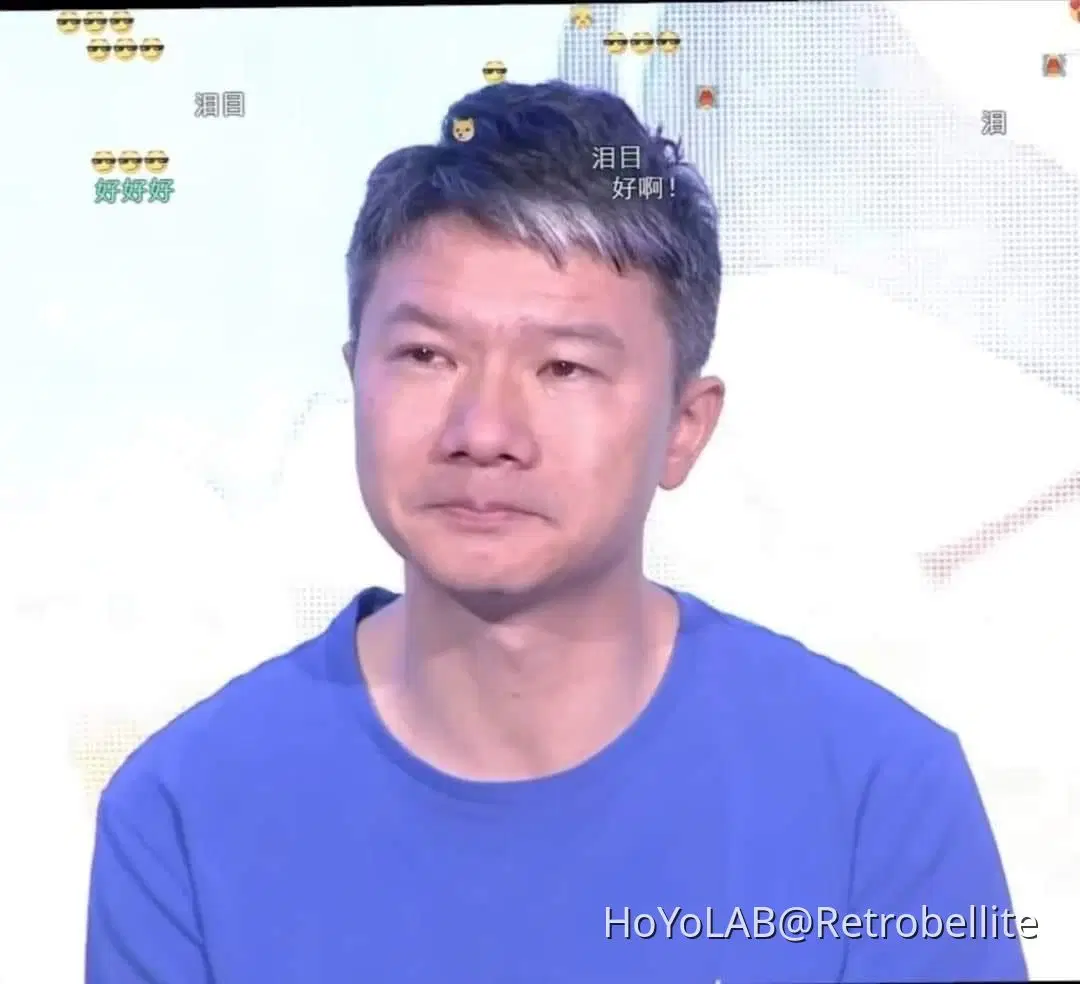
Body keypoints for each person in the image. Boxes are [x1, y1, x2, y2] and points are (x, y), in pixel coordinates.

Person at [85, 80, 1029, 984]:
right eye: (426, 355)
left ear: (684, 427)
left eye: (565, 368)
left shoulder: (880, 798)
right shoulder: (182, 812)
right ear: (355, 377)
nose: (483, 431)